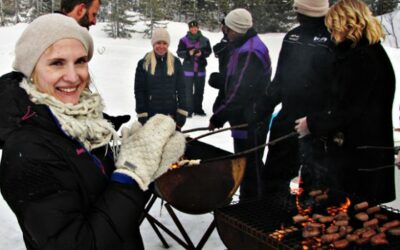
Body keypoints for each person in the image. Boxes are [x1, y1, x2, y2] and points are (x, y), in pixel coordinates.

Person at [0, 14, 185, 250]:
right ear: (31, 69)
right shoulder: (27, 152)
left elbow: (93, 186)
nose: (73, 76)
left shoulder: (83, 120)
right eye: (57, 63)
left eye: (80, 61)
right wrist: (132, 176)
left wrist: (130, 155)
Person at [295, 0, 396, 203]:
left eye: (333, 27)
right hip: (358, 151)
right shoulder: (361, 52)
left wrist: (312, 124)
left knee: (357, 217)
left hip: (363, 154)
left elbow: (350, 109)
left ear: (347, 24)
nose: (331, 33)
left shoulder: (363, 58)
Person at [260, 0, 335, 195]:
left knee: (315, 185)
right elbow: (279, 80)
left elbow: (338, 89)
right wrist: (262, 106)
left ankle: (305, 220)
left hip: (317, 125)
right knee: (274, 178)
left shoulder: (333, 39)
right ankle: (271, 217)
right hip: (288, 119)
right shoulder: (293, 37)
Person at [208, 8, 272, 201]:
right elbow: (238, 79)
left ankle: (251, 204)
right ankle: (249, 197)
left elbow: (240, 93)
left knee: (249, 162)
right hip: (242, 115)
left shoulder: (250, 51)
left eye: (227, 29)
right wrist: (223, 80)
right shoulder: (240, 44)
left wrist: (218, 117)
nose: (225, 32)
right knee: (243, 159)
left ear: (235, 30)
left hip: (251, 117)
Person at [58, 0, 130, 130]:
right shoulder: (56, 40)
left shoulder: (66, 37)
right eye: (94, 14)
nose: (94, 21)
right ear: (80, 10)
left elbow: (77, 102)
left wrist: (105, 120)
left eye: (80, 62)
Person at [134, 28, 188, 130]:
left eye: (164, 43)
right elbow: (139, 91)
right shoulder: (144, 63)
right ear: (153, 44)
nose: (161, 46)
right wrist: (142, 113)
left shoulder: (175, 62)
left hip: (171, 116)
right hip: (150, 116)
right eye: (158, 43)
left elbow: (182, 88)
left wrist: (182, 112)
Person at [177, 20, 211, 117]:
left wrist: (202, 53)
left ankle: (198, 109)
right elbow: (179, 53)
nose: (193, 29)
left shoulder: (205, 39)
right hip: (188, 69)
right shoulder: (183, 40)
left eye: (195, 27)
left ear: (198, 27)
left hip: (200, 69)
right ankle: (188, 110)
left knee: (199, 90)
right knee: (187, 91)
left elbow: (209, 52)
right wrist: (189, 53)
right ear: (189, 28)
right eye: (191, 27)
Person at [208, 18, 230, 112]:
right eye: (223, 26)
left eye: (225, 26)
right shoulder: (225, 37)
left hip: (230, 76)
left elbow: (220, 49)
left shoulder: (233, 38)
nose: (223, 28)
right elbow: (218, 50)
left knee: (219, 108)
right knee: (217, 108)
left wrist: (217, 49)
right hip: (224, 72)